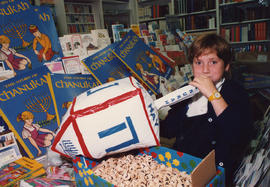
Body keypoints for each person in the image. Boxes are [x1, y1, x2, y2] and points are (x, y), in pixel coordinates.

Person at [160, 33, 254, 186]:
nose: (205, 70)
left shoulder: (236, 92)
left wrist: (212, 94)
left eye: (213, 62)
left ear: (227, 66)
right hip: (185, 167)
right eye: (198, 62)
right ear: (192, 65)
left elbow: (238, 136)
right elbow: (170, 129)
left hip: (216, 173)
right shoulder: (186, 91)